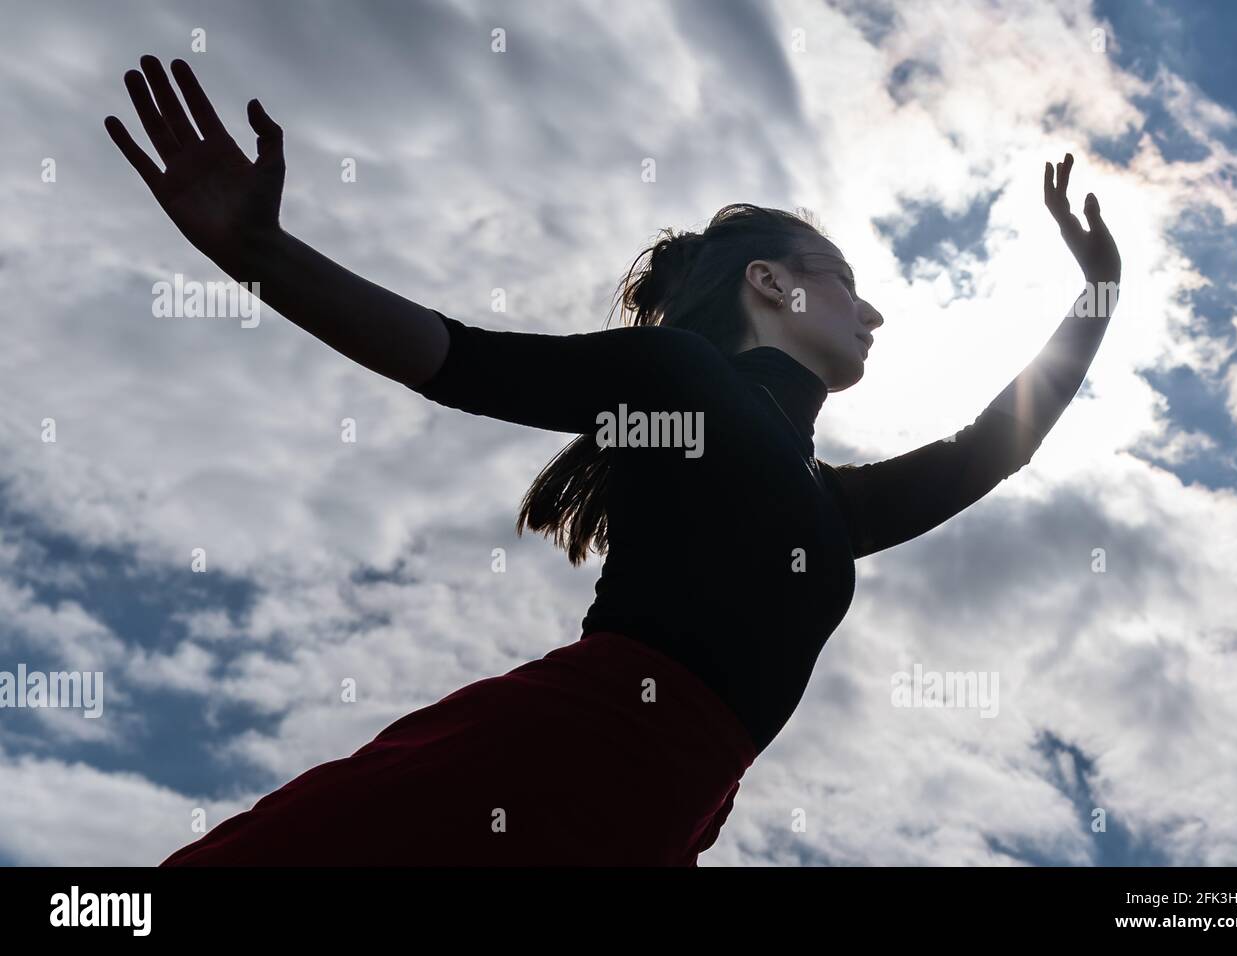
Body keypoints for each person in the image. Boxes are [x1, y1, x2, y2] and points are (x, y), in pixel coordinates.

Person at [106, 56, 1120, 866]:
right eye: (846, 281)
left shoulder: (834, 505)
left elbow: (1000, 443)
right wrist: (263, 254)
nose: (874, 308)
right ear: (768, 283)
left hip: (667, 820)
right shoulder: (676, 379)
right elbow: (458, 359)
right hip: (555, 761)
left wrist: (1098, 292)